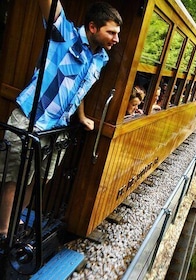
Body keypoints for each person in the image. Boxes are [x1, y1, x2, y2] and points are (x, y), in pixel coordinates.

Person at [0, 0, 122, 238]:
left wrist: (83, 116)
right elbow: (49, 6)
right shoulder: (65, 35)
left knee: (34, 181)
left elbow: (78, 89)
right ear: (93, 27)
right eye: (112, 32)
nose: (116, 39)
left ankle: (13, 225)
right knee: (14, 179)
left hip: (57, 130)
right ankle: (3, 233)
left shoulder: (100, 58)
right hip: (31, 120)